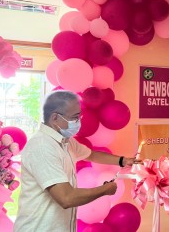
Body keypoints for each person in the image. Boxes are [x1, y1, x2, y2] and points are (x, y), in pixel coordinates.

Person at [14, 90, 139, 232]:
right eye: (74, 118)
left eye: (79, 117)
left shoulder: (66, 142)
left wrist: (123, 161)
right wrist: (104, 190)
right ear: (55, 118)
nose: (79, 122)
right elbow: (66, 198)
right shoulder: (42, 147)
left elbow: (91, 155)